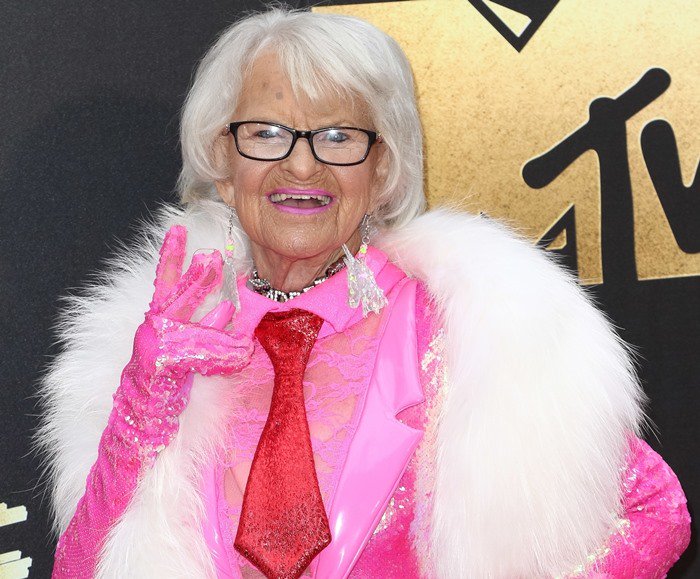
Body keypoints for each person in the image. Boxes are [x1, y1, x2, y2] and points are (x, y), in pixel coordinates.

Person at [39, 7, 690, 578]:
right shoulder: (168, 338)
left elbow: (654, 511)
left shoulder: (473, 325)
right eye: (267, 132)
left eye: (338, 136)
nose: (302, 164)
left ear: (383, 169)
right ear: (223, 164)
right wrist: (141, 410)